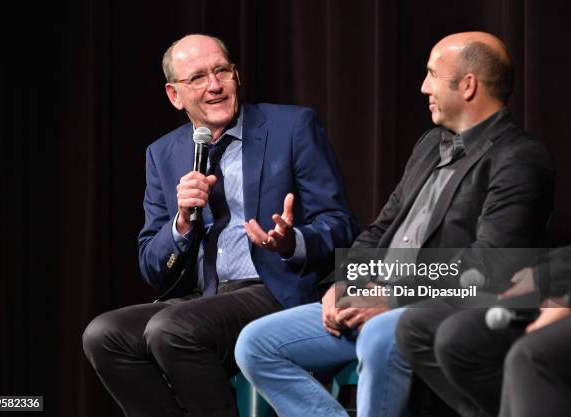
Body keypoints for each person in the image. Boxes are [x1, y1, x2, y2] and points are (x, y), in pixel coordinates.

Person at [235, 31, 554, 417]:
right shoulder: (428, 145)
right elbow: (379, 229)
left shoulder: (519, 158)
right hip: (373, 298)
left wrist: (393, 298)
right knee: (255, 343)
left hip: (441, 308)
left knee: (380, 335)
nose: (423, 87)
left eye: (432, 75)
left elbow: (488, 265)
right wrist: (344, 283)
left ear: (468, 85)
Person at [81, 34, 358, 417]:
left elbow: (341, 225)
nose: (214, 86)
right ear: (175, 95)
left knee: (171, 329)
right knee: (105, 335)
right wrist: (180, 223)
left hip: (271, 289)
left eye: (221, 71)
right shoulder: (163, 153)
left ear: (235, 75)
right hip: (202, 297)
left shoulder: (290, 127)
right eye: (197, 78)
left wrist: (290, 241)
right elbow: (153, 267)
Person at [397, 234, 571, 417]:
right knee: (423, 327)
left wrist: (570, 300)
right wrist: (541, 272)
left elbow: (491, 246)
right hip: (567, 282)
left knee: (530, 356)